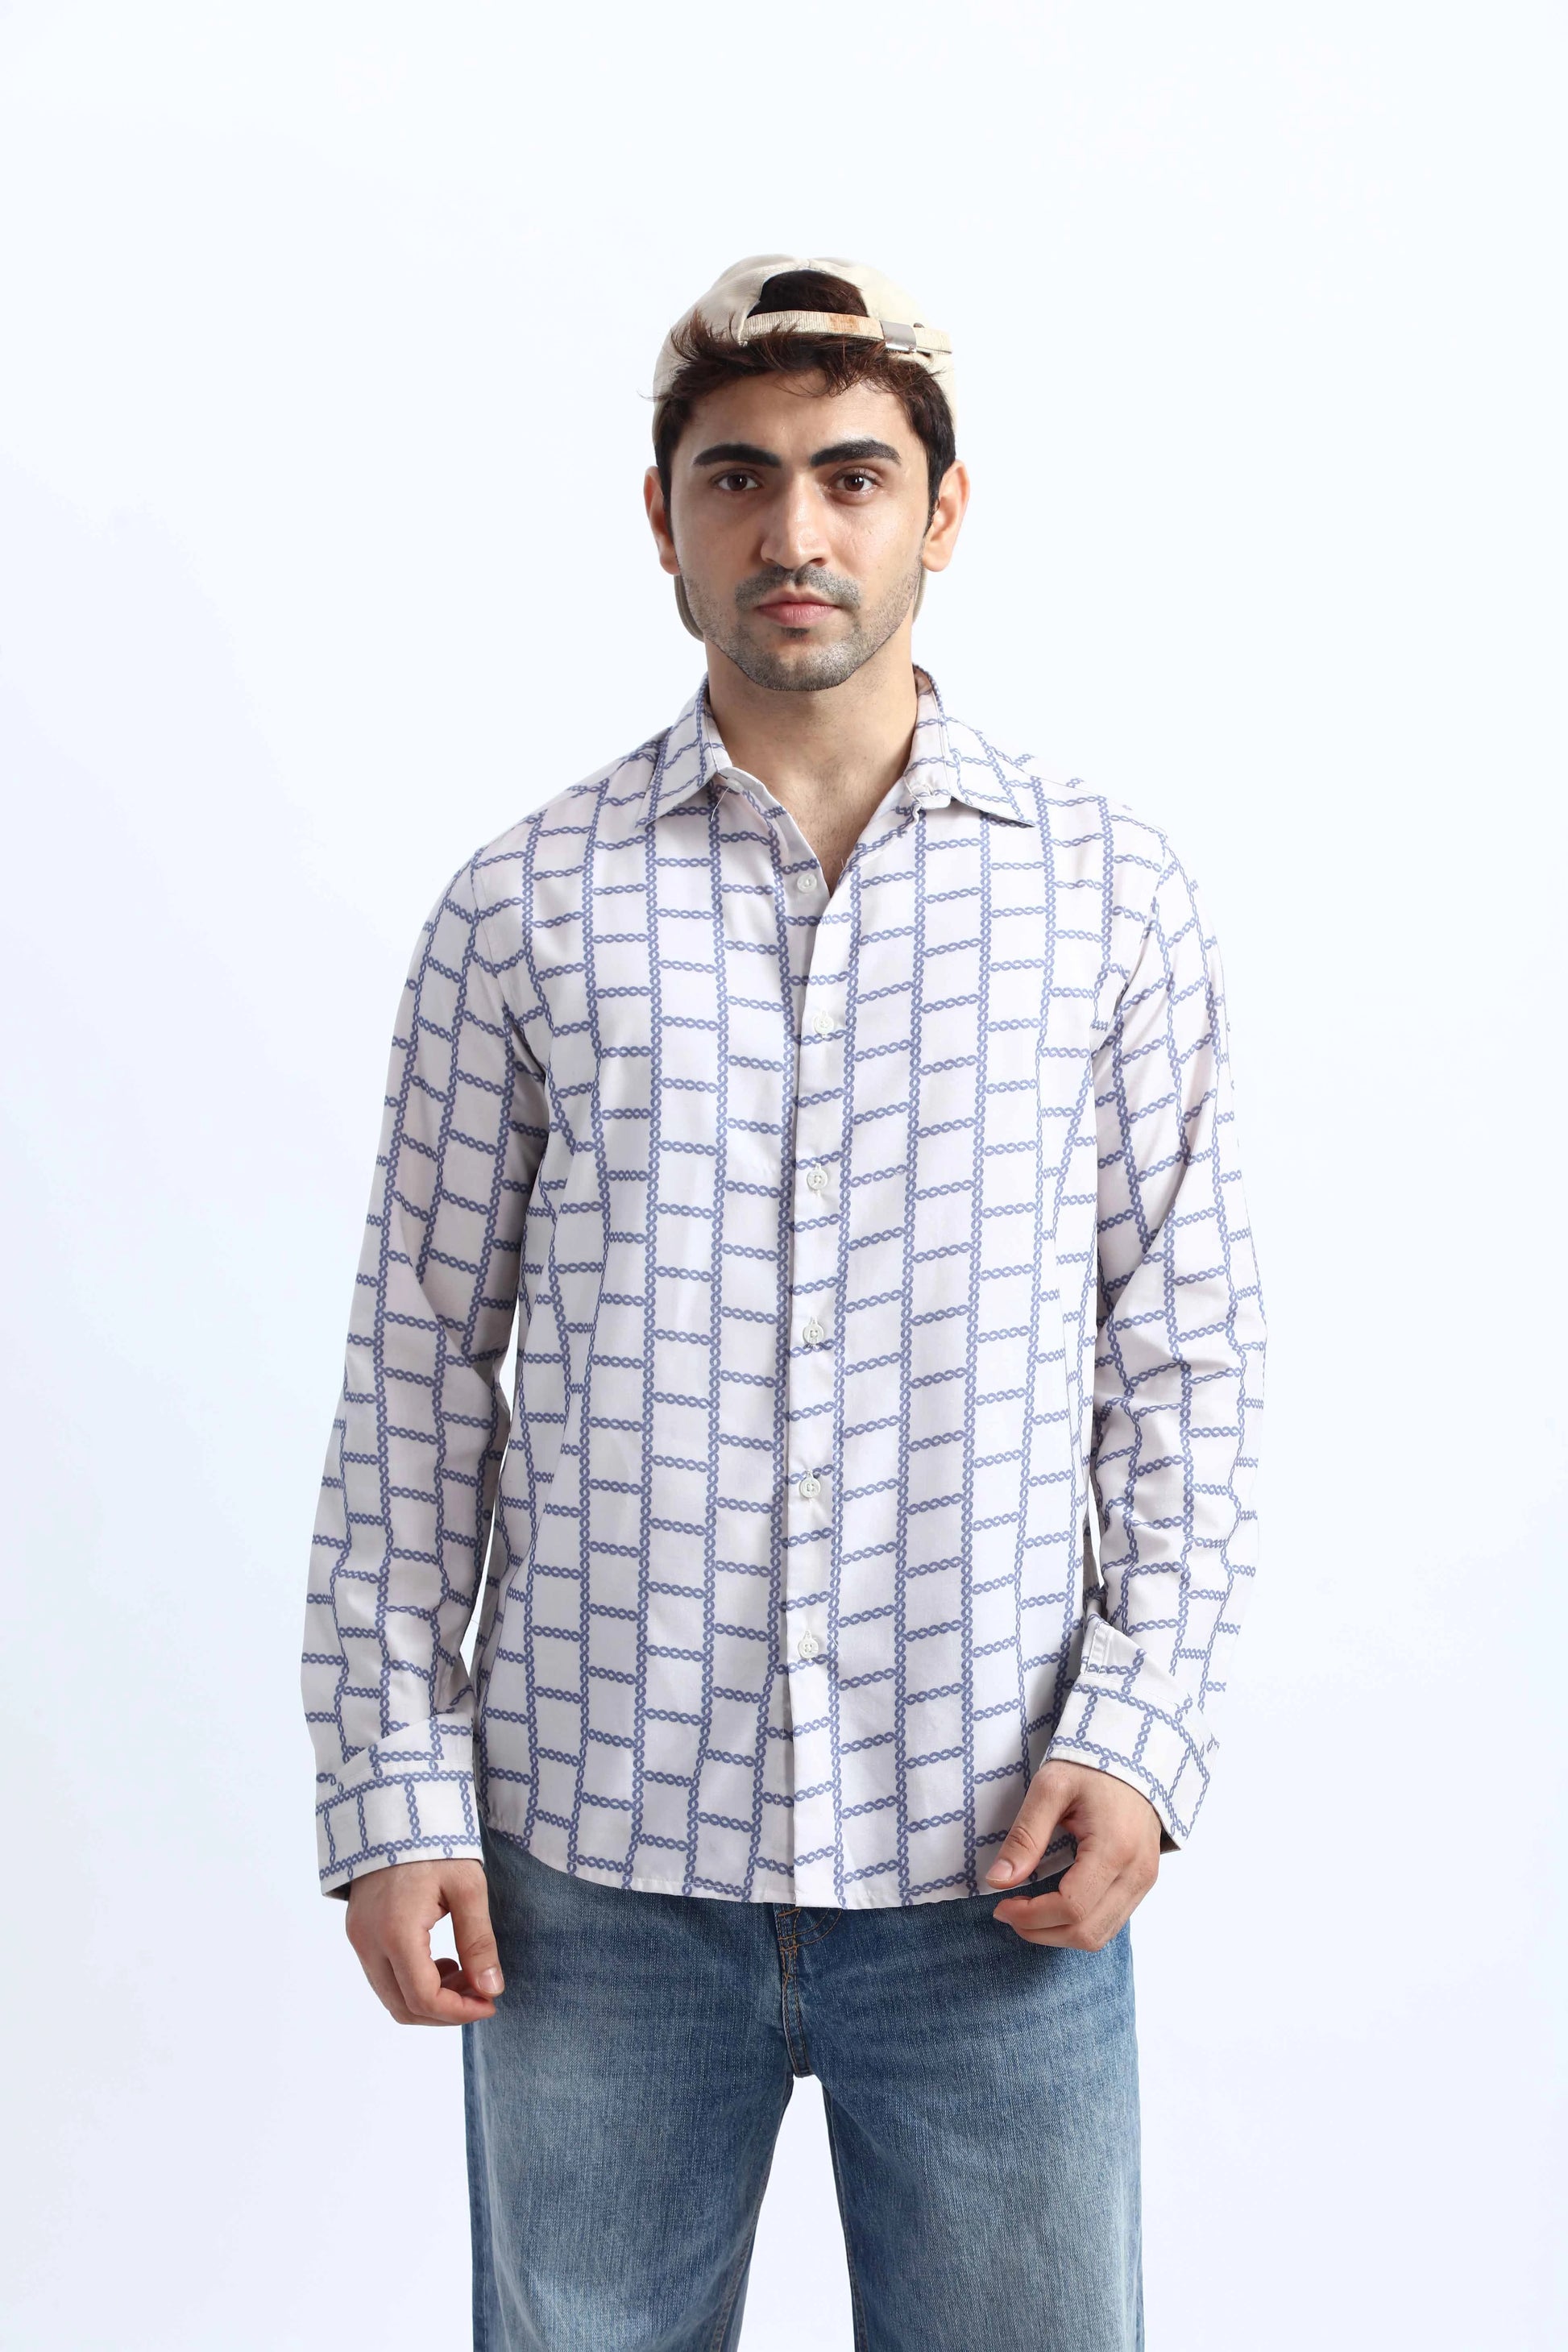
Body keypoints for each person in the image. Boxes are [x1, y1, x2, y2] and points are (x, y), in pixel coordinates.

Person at [301, 252, 1267, 2352]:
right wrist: (389, 1785)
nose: (794, 530)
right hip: (592, 1877)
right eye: (737, 477)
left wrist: (1145, 1730)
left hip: (996, 1862)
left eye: (852, 475)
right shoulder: (521, 908)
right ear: (662, 519)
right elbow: (415, 1377)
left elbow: (1184, 1358)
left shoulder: (1107, 895)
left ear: (943, 510)